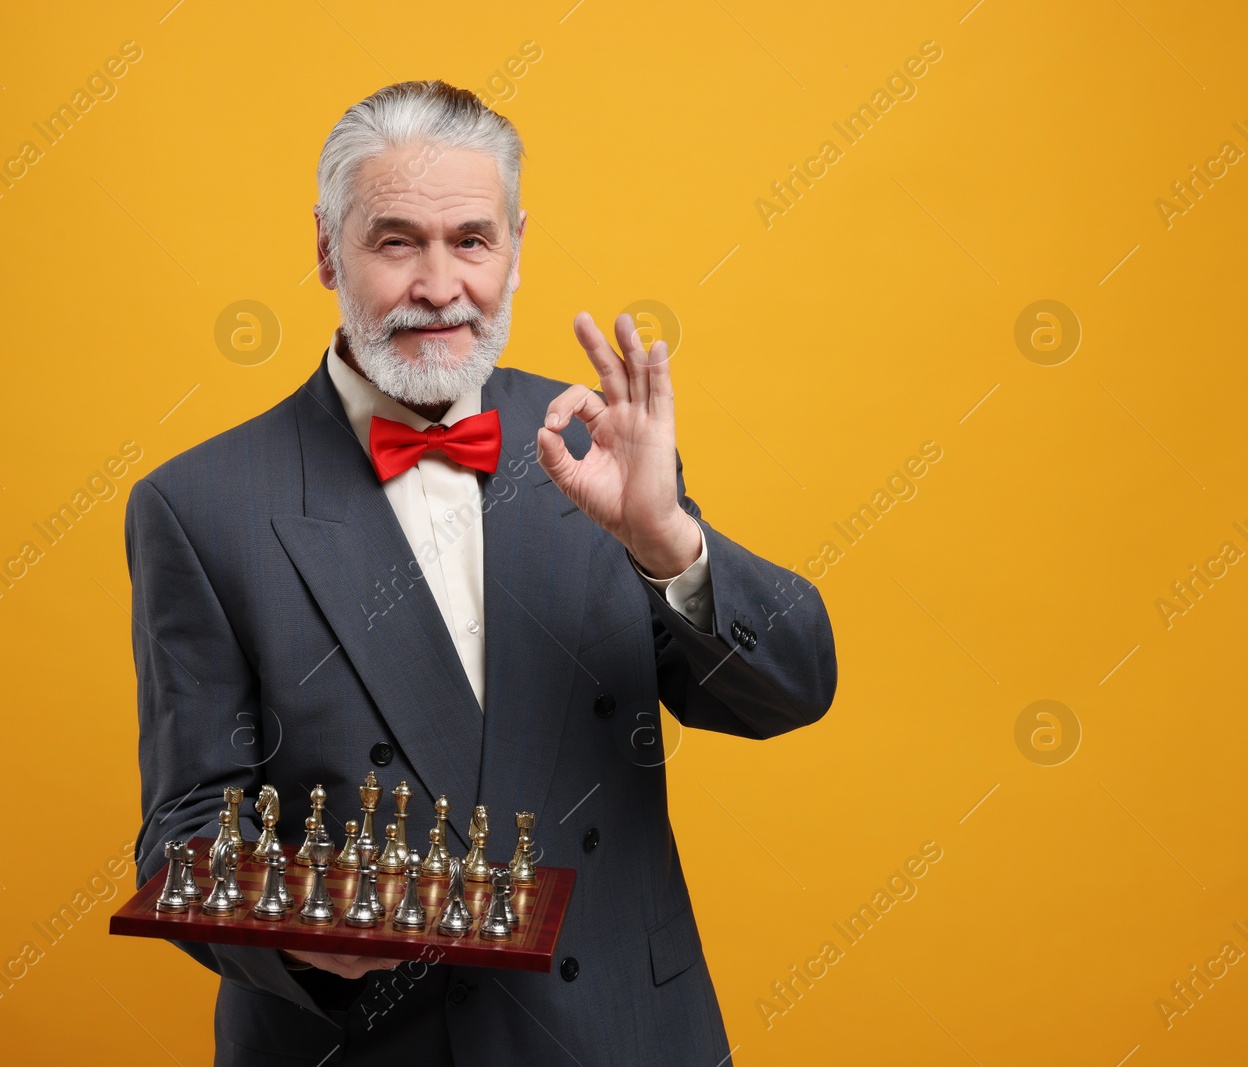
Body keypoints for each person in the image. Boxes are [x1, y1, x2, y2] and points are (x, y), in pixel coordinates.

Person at [124, 80, 837, 1066]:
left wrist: (668, 541)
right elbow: (186, 835)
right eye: (394, 241)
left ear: (515, 243)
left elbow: (791, 692)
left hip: (624, 1033)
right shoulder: (199, 505)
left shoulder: (599, 444)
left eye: (470, 239)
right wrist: (294, 935)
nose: (438, 284)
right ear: (328, 248)